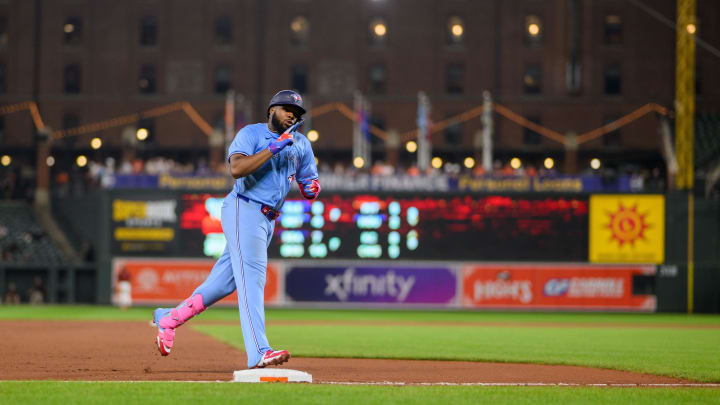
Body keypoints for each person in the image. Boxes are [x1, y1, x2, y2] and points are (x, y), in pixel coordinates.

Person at [153, 90, 320, 369]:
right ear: (271, 110)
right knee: (253, 279)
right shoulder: (251, 134)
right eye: (286, 108)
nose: (293, 114)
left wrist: (312, 187)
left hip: (268, 219)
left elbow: (309, 182)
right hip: (244, 207)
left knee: (222, 284)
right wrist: (273, 148)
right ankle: (259, 351)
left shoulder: (301, 143)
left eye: (297, 112)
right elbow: (237, 168)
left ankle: (168, 319)